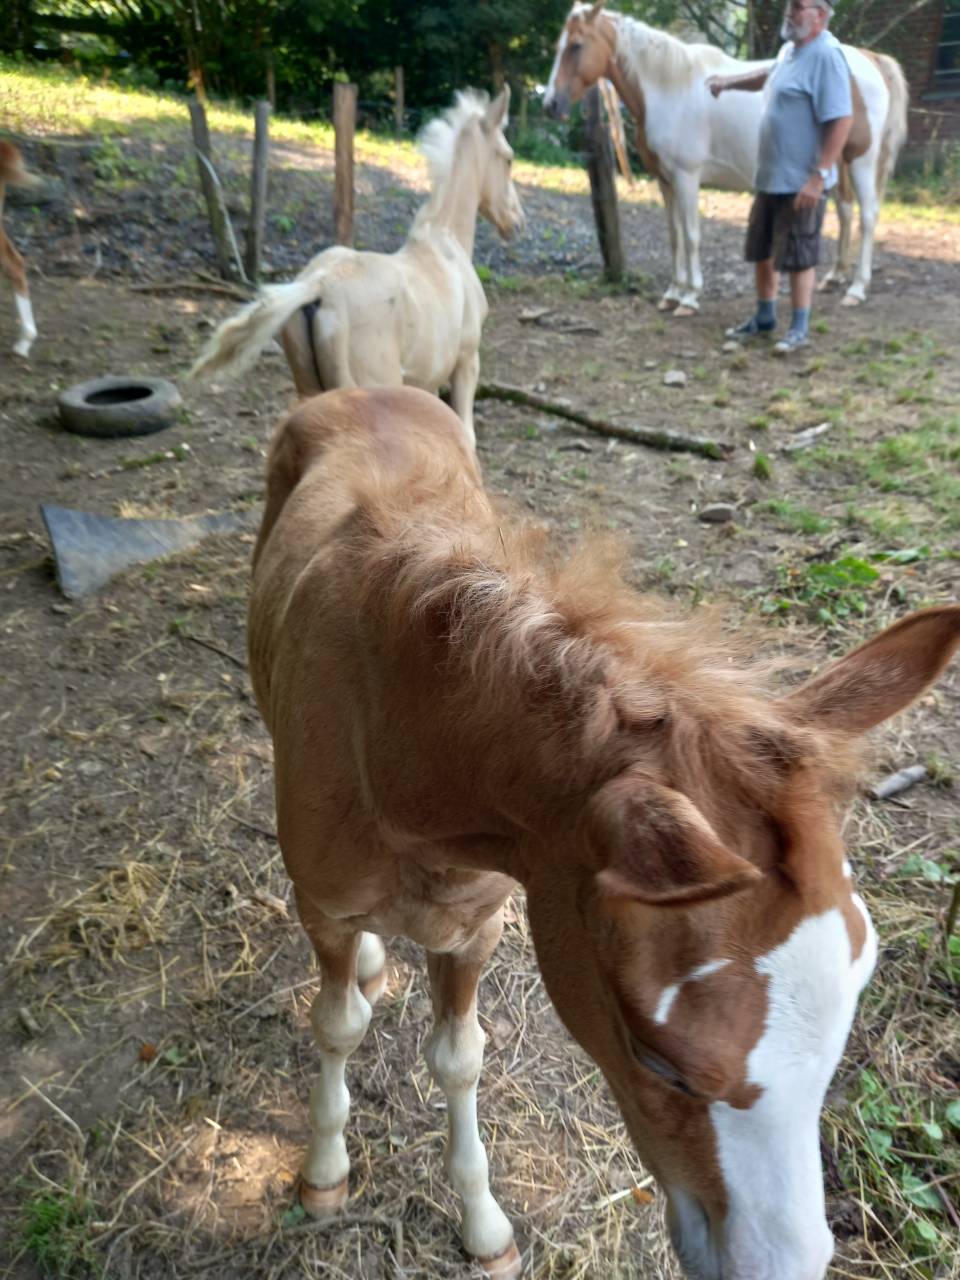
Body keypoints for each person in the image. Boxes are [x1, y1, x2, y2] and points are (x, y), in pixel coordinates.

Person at [708, 0, 853, 354]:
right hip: (771, 176)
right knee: (762, 250)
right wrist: (728, 82)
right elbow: (767, 76)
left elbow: (841, 119)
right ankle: (764, 318)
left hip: (802, 181)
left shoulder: (827, 56)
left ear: (820, 14)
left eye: (799, 6)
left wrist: (818, 177)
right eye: (790, 5)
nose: (790, 12)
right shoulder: (791, 50)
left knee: (800, 254)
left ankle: (799, 328)